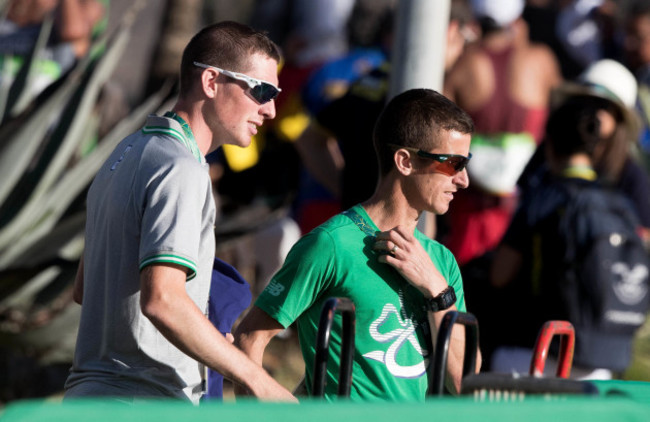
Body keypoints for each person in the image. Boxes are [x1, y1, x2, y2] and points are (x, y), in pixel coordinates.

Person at [64, 21, 296, 403]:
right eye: (262, 91)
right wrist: (259, 380)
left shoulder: (125, 155)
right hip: (145, 401)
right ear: (211, 81)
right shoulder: (181, 168)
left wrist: (202, 337)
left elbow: (86, 290)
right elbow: (163, 300)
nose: (270, 110)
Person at [235, 89, 481, 401]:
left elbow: (463, 383)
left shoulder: (440, 262)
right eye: (453, 164)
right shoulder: (331, 244)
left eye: (466, 163)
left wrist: (437, 291)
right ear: (404, 161)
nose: (463, 180)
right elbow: (248, 339)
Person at [489, 95, 649, 379]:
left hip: (539, 355)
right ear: (597, 147)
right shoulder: (620, 203)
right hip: (605, 362)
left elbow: (500, 274)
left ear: (549, 143)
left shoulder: (543, 197)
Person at [443, 0, 562, 266]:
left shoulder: (463, 65)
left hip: (471, 214)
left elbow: (438, 136)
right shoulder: (540, 60)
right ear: (517, 19)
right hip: (527, 215)